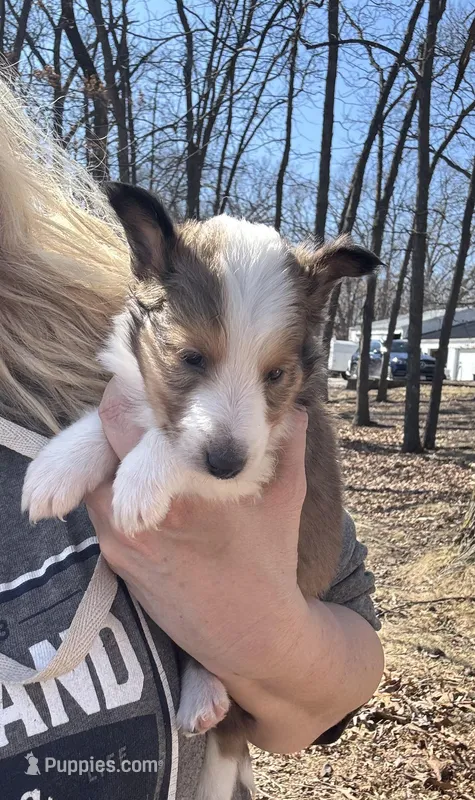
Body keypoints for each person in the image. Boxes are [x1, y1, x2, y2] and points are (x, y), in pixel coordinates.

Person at [0, 78, 384, 800]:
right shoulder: (135, 333)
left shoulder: (74, 316)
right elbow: (125, 414)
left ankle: (211, 679)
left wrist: (251, 638)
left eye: (271, 374)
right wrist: (104, 446)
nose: (229, 425)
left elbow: (333, 652)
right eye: (193, 360)